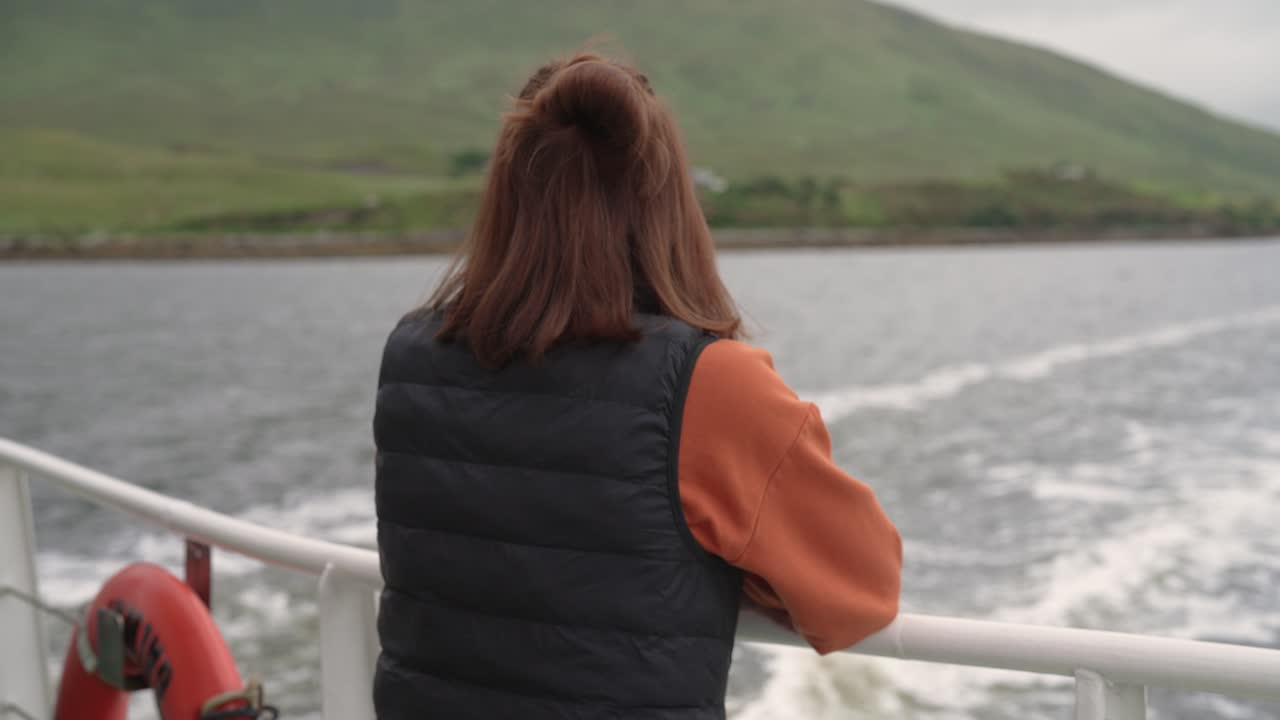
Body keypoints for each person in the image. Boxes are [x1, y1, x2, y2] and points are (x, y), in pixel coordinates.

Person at [373, 51, 902, 720]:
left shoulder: (414, 354)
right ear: (667, 203)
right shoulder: (707, 382)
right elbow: (859, 592)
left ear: (506, 196)